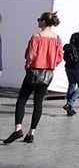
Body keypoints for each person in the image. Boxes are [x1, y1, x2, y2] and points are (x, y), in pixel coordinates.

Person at [4, 12, 63, 144]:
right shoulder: (57, 39)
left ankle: (18, 129)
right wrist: (51, 64)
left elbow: (30, 55)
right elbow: (60, 57)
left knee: (22, 100)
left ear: (43, 22)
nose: (38, 21)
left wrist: (27, 65)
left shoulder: (36, 37)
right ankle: (31, 133)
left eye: (39, 19)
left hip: (34, 71)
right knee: (38, 102)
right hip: (48, 73)